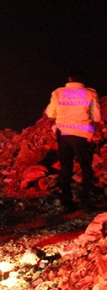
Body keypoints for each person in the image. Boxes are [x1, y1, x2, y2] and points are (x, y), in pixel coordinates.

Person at [45, 70, 102, 213]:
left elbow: (50, 113)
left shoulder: (58, 92)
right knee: (86, 167)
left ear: (69, 79)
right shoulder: (90, 93)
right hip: (83, 136)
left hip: (63, 135)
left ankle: (67, 202)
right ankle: (87, 202)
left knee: (66, 168)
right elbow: (97, 118)